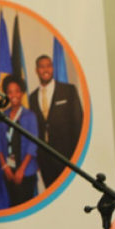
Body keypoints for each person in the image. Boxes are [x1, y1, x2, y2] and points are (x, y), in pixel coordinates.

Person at [28, 54, 84, 188]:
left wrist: (78, 156)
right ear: (36, 70)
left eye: (48, 66)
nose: (45, 69)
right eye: (41, 67)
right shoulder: (32, 97)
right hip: (44, 160)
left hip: (67, 157)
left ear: (52, 68)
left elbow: (79, 123)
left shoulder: (68, 91)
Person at [0, 75, 40, 206]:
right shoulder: (2, 116)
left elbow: (32, 145)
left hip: (26, 171)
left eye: (17, 91)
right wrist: (5, 167)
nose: (13, 95)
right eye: (10, 92)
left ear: (22, 93)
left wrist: (21, 170)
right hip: (9, 170)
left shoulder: (30, 116)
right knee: (13, 205)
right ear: (6, 95)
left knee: (25, 208)